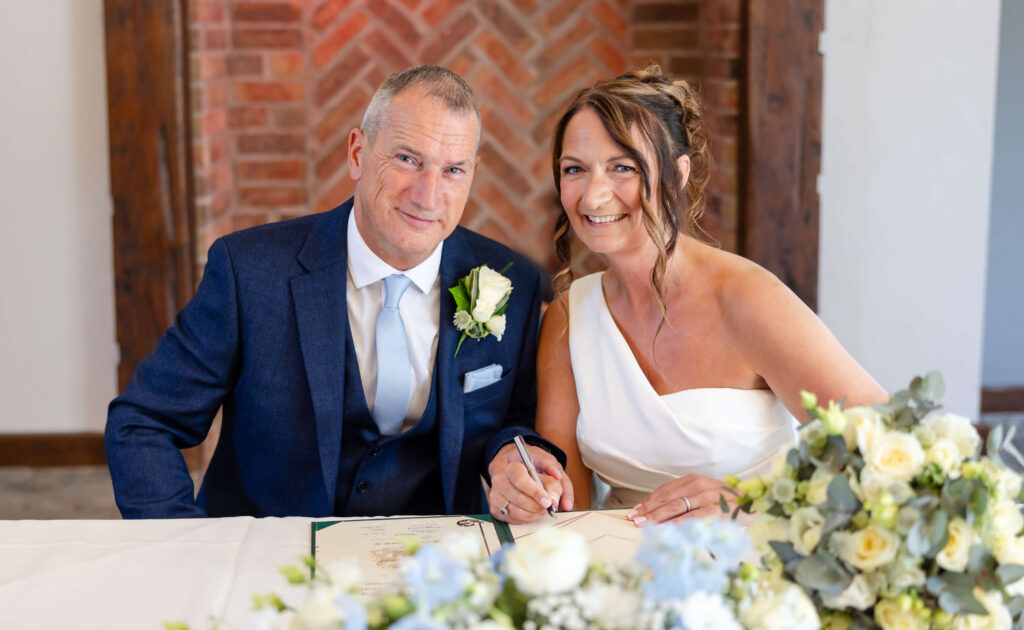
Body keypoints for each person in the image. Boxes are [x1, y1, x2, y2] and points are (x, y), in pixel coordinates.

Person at [106, 66, 571, 519]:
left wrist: (514, 454)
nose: (428, 196)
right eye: (407, 159)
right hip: (271, 562)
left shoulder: (513, 281)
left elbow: (518, 416)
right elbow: (144, 421)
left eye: (452, 170)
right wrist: (184, 548)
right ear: (356, 153)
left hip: (437, 566)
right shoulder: (250, 272)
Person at [514, 65, 886, 525]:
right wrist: (532, 486)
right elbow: (566, 499)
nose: (592, 196)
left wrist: (752, 500)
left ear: (677, 173)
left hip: (754, 564)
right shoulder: (570, 316)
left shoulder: (748, 300)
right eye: (575, 170)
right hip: (619, 569)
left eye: (622, 168)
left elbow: (891, 444)